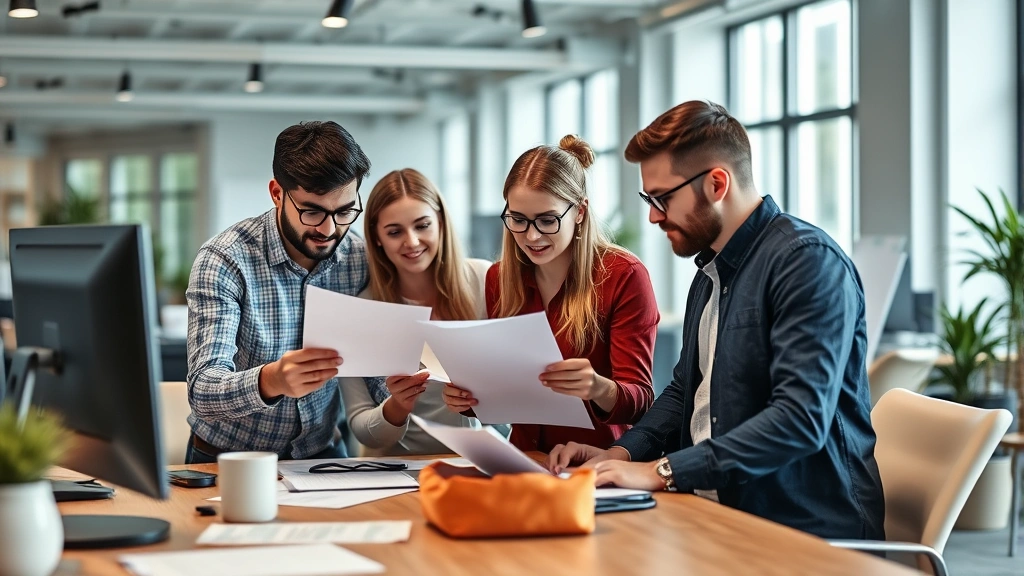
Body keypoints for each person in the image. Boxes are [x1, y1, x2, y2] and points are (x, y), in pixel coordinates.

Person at [547, 101, 885, 540]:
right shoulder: (711, 273)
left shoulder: (806, 263)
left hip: (801, 532)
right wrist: (621, 455)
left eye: (662, 198)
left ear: (716, 183)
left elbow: (799, 420)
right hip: (713, 511)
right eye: (648, 199)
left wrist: (665, 470)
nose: (652, 215)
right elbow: (686, 387)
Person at [443, 135, 660, 453]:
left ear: (580, 212)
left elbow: (641, 401)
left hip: (598, 465)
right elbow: (510, 393)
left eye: (547, 220)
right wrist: (470, 400)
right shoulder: (499, 279)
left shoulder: (622, 275)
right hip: (524, 459)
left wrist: (598, 388)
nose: (531, 236)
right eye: (517, 219)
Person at [185, 120, 371, 464]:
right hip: (228, 458)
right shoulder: (225, 260)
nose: (329, 230)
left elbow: (373, 367)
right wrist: (273, 380)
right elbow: (202, 391)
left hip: (320, 454)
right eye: (312, 211)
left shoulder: (358, 258)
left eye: (345, 211)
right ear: (277, 193)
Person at [341, 168, 494, 456]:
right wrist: (396, 406)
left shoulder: (485, 281)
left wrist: (484, 397)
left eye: (422, 225)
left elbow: (520, 397)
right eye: (395, 232)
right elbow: (362, 429)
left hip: (481, 462)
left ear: (440, 223)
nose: (411, 242)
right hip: (393, 474)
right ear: (376, 237)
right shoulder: (362, 311)